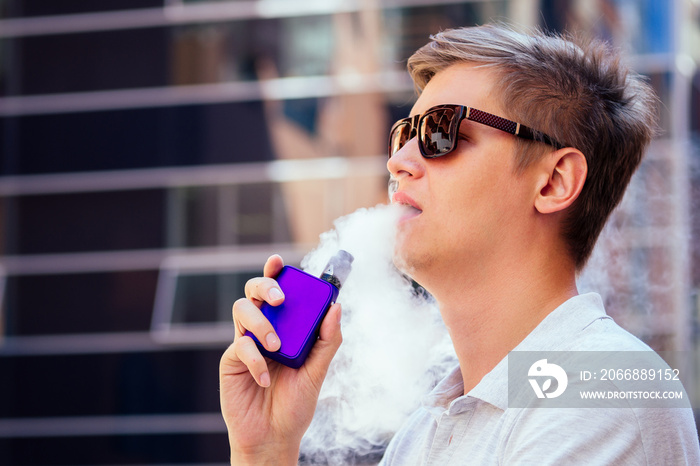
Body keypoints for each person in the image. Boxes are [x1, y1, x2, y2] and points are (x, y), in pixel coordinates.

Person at [219, 24, 700, 465]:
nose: (399, 162)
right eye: (402, 135)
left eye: (440, 131)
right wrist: (265, 449)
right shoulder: (422, 434)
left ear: (554, 181)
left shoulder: (603, 391)